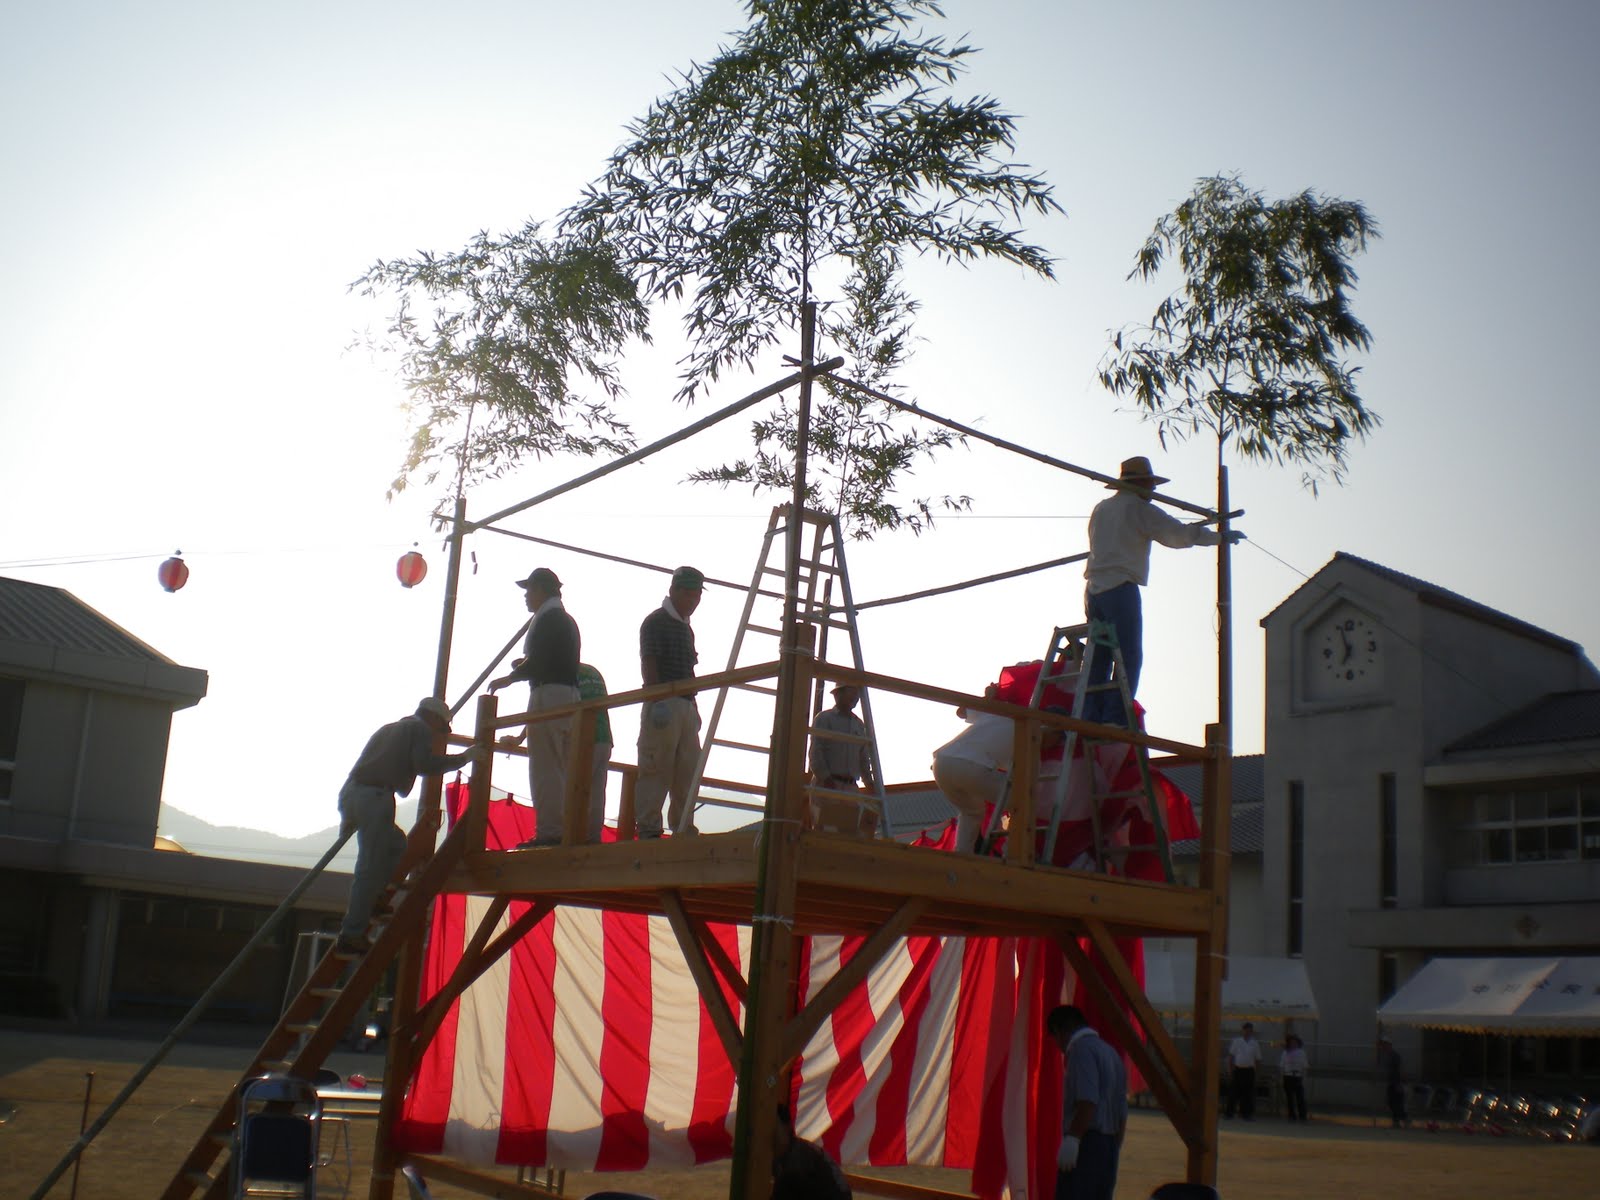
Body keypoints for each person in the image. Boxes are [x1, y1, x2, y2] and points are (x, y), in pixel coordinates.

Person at [1082, 456, 1243, 724]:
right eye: (1150, 484)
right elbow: (1176, 535)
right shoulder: (1140, 508)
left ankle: (1089, 716)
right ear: (1140, 483)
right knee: (1128, 656)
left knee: (1099, 657)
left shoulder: (1102, 508)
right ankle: (1114, 718)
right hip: (1119, 589)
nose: (1154, 490)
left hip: (1094, 591)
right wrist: (1219, 538)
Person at [336, 698, 475, 954]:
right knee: (368, 868)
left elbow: (364, 765)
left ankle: (374, 900)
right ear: (434, 718)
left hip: (353, 793)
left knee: (397, 844)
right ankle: (351, 935)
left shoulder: (389, 728)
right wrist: (464, 759)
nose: (438, 734)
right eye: (441, 727)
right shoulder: (420, 728)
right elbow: (424, 765)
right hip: (376, 796)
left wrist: (348, 814)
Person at [489, 567, 580, 847]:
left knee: (545, 767)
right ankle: (564, 829)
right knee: (561, 766)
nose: (526, 596)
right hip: (568, 694)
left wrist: (511, 677)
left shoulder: (548, 619)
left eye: (529, 590)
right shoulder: (565, 620)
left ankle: (550, 832)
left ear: (540, 589)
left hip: (548, 693)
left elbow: (539, 661)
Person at [636, 565, 705, 838]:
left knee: (687, 770)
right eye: (688, 594)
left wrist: (692, 706)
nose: (693, 601)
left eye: (697, 595)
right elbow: (649, 662)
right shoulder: (655, 621)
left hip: (686, 704)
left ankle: (683, 826)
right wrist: (657, 700)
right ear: (673, 590)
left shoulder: (687, 628)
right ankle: (649, 828)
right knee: (656, 767)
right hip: (664, 701)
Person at [1045, 1004, 1127, 1200]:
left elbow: (1087, 1101)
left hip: (1087, 1143)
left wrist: (1073, 1139)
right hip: (1110, 1145)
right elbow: (1122, 1112)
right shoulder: (1111, 1053)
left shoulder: (1080, 1050)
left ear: (1059, 1031)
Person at [931, 699, 1013, 853]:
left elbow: (961, 712)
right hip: (972, 765)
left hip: (942, 763)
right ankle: (1013, 853)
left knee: (972, 812)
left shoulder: (998, 712)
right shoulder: (1028, 731)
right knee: (1020, 802)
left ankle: (962, 854)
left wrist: (988, 699)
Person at [808, 684, 879, 833]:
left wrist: (869, 783)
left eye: (856, 693)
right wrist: (825, 778)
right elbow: (816, 752)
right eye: (851, 692)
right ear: (837, 695)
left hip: (850, 788)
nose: (855, 697)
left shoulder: (859, 724)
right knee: (826, 833)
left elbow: (863, 758)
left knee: (848, 834)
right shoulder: (824, 719)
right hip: (827, 785)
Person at [770, 1102, 851, 1200]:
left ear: (787, 1127)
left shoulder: (800, 1158)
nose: (772, 1138)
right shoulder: (790, 1156)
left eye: (775, 1131)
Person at [575, 662, 613, 842]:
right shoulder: (592, 671)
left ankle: (574, 837)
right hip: (604, 737)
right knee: (597, 793)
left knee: (577, 790)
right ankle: (593, 837)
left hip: (585, 738)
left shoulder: (566, 672)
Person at [1225, 1022, 1262, 1120]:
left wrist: (1257, 1073)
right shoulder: (1236, 1041)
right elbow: (1231, 1057)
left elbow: (1258, 1059)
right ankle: (1229, 1113)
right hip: (1238, 1069)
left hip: (1249, 1070)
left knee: (1248, 1093)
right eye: (1246, 1030)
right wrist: (1230, 1070)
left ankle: (1246, 1114)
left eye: (1250, 1030)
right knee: (1233, 1092)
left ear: (1252, 1031)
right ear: (1243, 1030)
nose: (1247, 1032)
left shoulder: (1255, 1043)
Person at [1280, 1032, 1310, 1122]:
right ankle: (1292, 1116)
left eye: (1295, 1042)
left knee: (1300, 1097)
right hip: (1288, 1076)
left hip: (1297, 1076)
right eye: (1291, 1042)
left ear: (1298, 1043)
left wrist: (1304, 1078)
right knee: (1290, 1098)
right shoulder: (1285, 1053)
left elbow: (1305, 1066)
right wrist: (1281, 1078)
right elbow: (1282, 1066)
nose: (1293, 1044)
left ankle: (1302, 1116)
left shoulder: (1302, 1053)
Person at [1379, 1037, 1407, 1128]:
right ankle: (1398, 1120)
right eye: (1383, 1045)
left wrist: (1400, 1083)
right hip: (1391, 1082)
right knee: (1392, 1102)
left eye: (1385, 1044)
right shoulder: (1388, 1055)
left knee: (1396, 1103)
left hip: (1396, 1082)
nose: (1383, 1047)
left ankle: (1403, 1119)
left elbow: (1400, 1069)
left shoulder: (1394, 1055)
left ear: (1389, 1045)